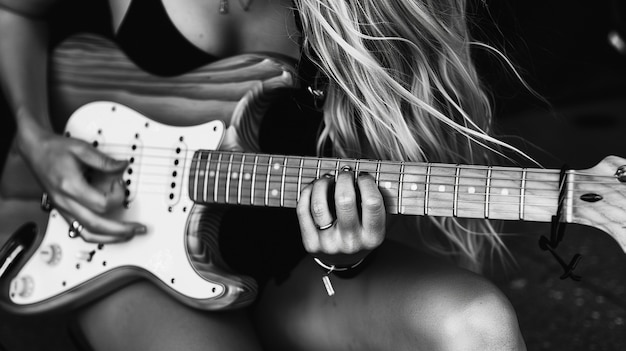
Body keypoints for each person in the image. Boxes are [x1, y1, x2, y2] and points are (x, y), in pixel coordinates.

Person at [0, 0, 527, 350]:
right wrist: (36, 136)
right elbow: (15, 12)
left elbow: (382, 161)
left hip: (296, 262)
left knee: (480, 327)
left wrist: (343, 252)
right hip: (126, 248)